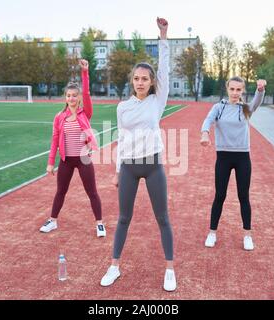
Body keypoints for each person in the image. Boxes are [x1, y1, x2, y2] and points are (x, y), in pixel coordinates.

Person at [100, 17, 176, 292]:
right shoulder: (122, 107)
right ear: (132, 81)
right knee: (123, 218)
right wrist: (118, 171)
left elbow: (165, 70)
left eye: (145, 78)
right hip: (130, 168)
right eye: (136, 78)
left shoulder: (158, 101)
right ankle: (114, 266)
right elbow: (121, 138)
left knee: (162, 218)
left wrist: (163, 37)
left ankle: (169, 269)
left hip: (153, 166)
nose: (140, 82)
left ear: (151, 81)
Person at [39, 59, 106, 238]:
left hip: (83, 159)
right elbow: (54, 140)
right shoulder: (59, 117)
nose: (71, 98)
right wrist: (50, 163)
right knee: (61, 191)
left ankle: (99, 223)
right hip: (66, 161)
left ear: (78, 98)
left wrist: (85, 72)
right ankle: (52, 220)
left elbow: (87, 92)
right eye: (68, 95)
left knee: (92, 192)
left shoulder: (86, 113)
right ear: (65, 98)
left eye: (74, 95)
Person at [200, 77, 267, 251]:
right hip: (223, 157)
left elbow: (256, 103)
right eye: (232, 89)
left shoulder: (245, 109)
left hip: (242, 157)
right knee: (220, 196)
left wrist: (260, 90)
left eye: (239, 90)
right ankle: (212, 233)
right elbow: (208, 120)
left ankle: (247, 235)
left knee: (243, 196)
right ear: (227, 89)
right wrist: (205, 133)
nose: (235, 93)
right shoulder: (218, 107)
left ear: (242, 91)